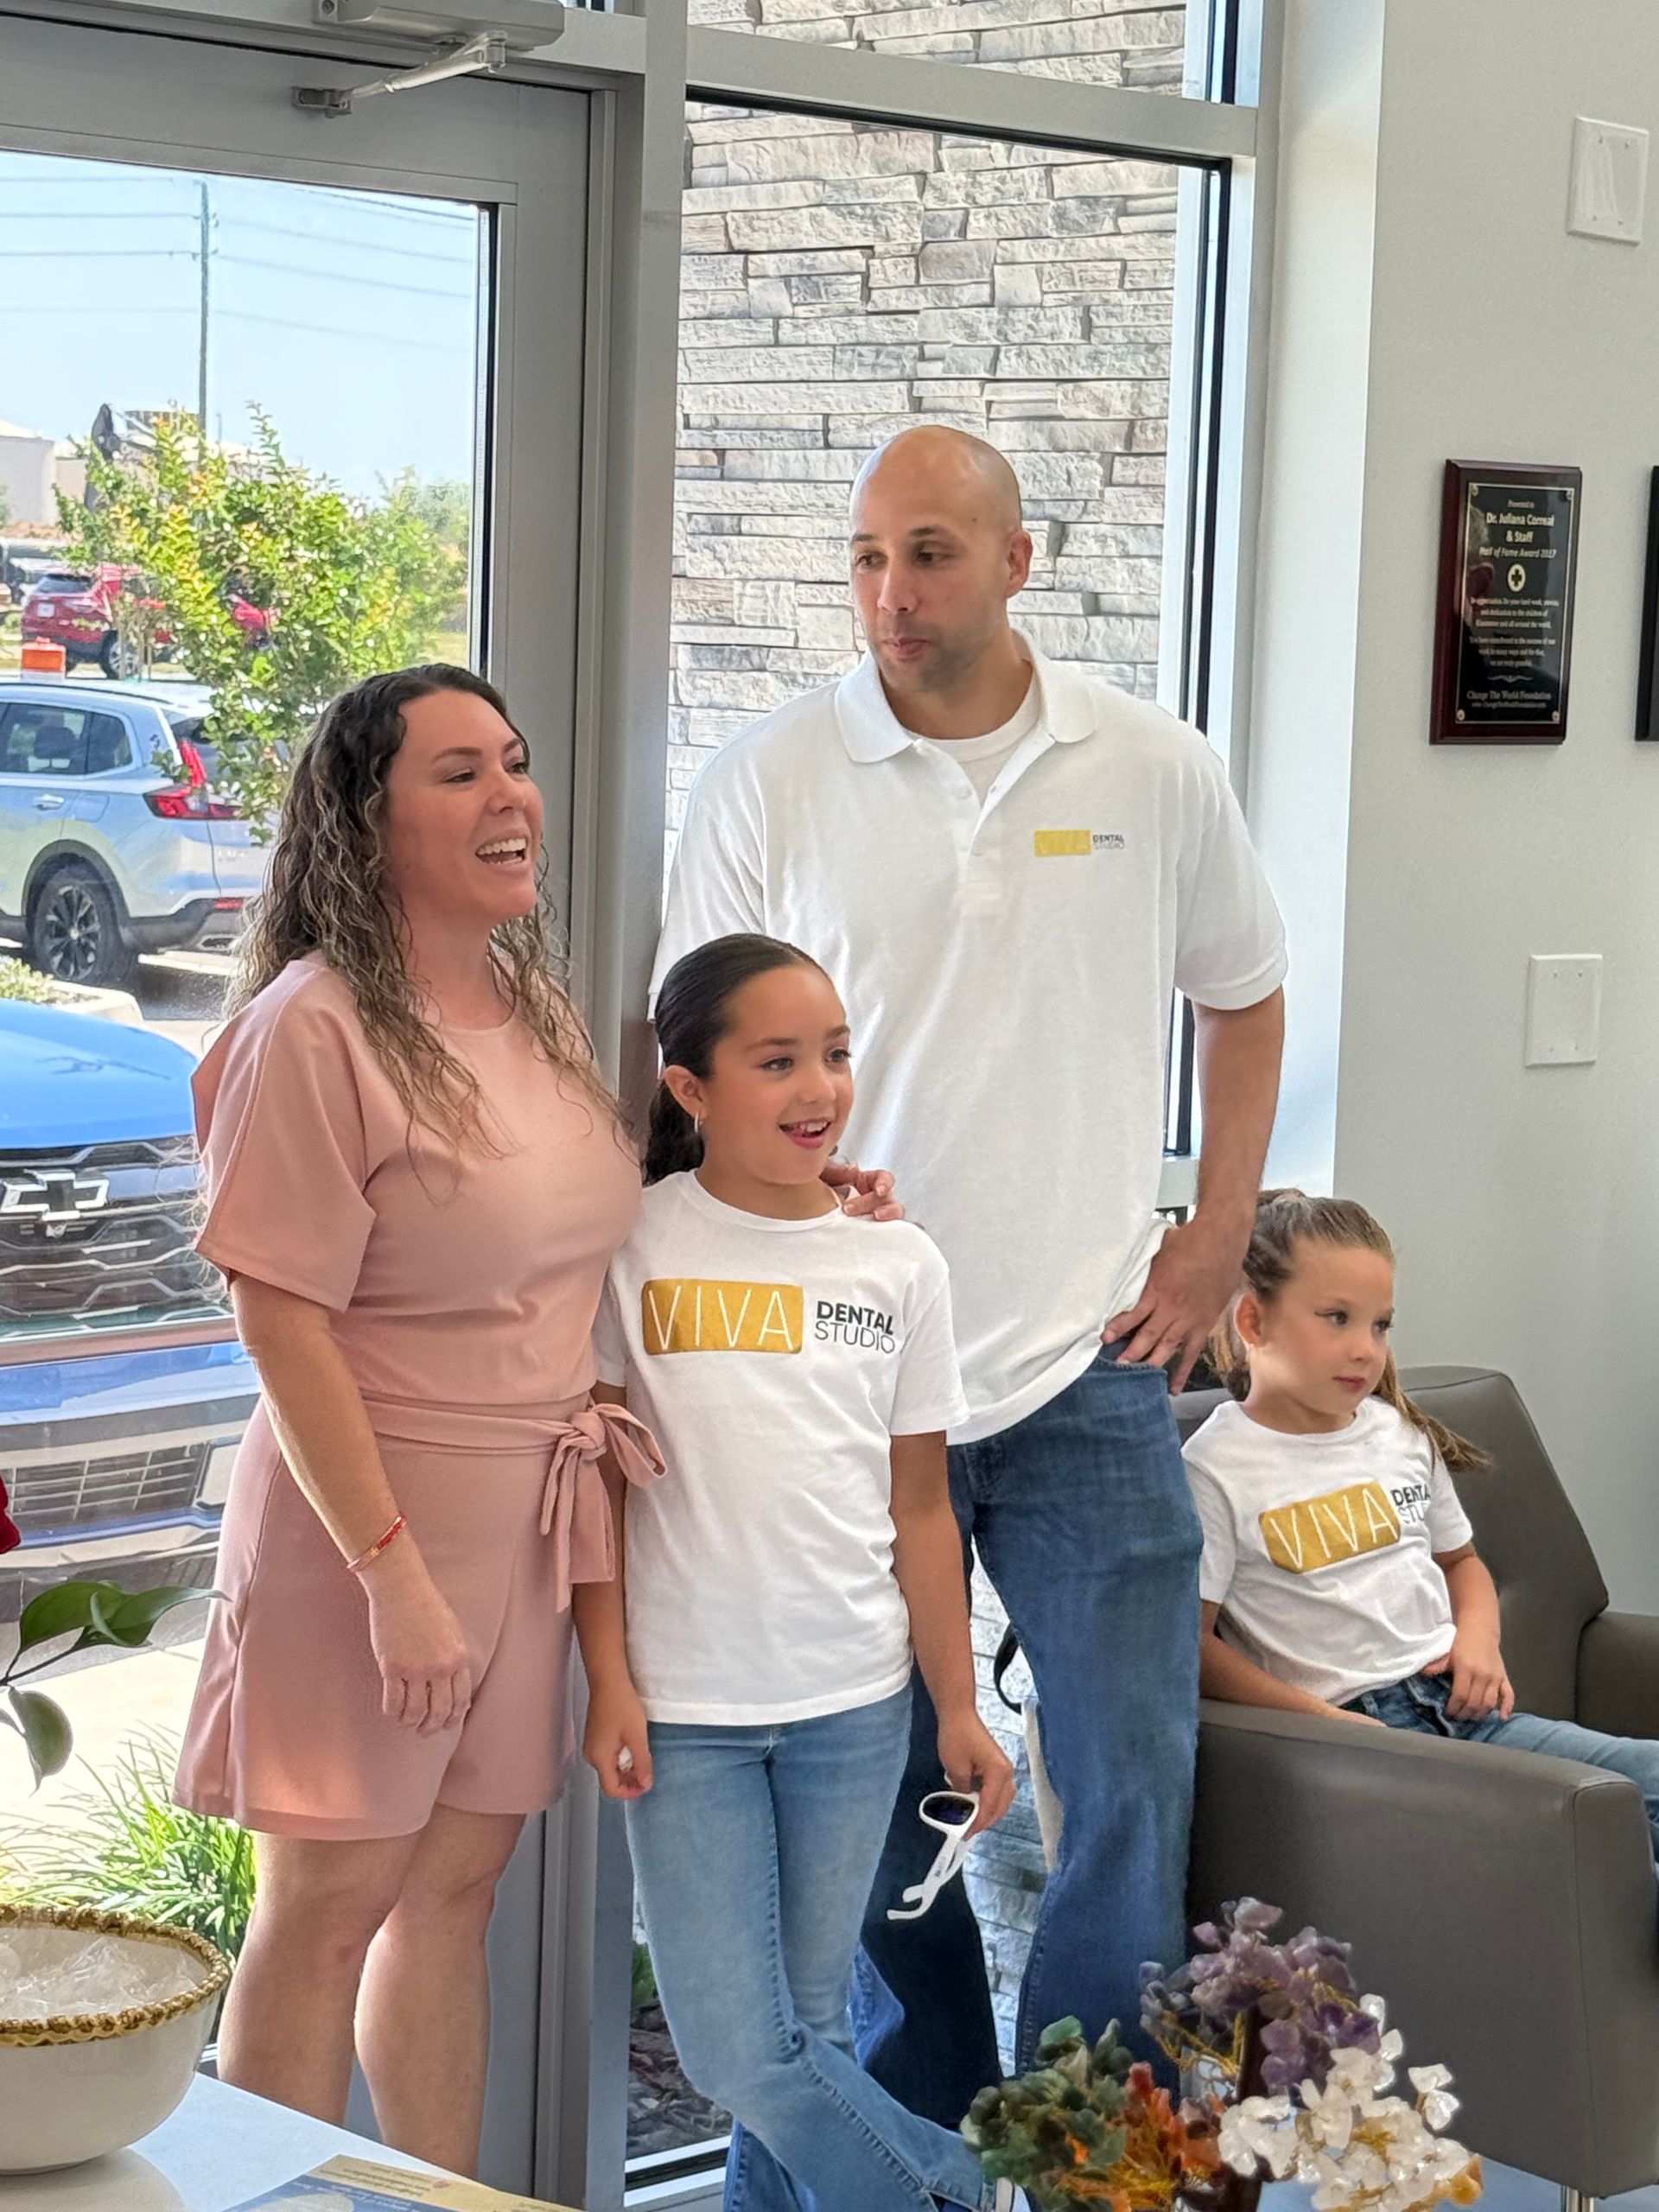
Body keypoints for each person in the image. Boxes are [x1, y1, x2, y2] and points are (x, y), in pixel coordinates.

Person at [652, 424, 1287, 2119]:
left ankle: (1077, 2151)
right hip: (839, 1380)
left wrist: (1219, 1230)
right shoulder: (770, 780)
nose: (890, 592)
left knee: (1130, 1794)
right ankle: (916, 2141)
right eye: (866, 555)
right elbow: (688, 1060)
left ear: (1020, 558)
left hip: (1092, 1361)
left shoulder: (1152, 768)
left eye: (928, 552)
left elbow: (1247, 988)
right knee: (866, 1812)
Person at [172, 665, 664, 2174]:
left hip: (522, 1520)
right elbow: (278, 1315)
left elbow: (574, 1236)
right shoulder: (311, 1030)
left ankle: (444, 2205)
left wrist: (805, 1198)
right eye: (460, 773)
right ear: (363, 818)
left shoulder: (532, 1008)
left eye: (513, 762)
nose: (510, 795)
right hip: (366, 1532)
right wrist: (392, 1574)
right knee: (324, 1917)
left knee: (455, 1900)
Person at [573, 932, 1027, 2212]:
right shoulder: (633, 1241)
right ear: (691, 1088)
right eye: (776, 1061)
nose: (818, 1087)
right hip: (687, 1714)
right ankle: (959, 2190)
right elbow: (595, 1481)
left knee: (809, 2040)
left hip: (851, 1705)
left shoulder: (899, 1261)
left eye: (833, 1053)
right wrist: (605, 1674)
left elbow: (923, 1510)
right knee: (738, 2050)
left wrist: (954, 1706)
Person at [1185, 1190, 1659, 1861]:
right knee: (1607, 1850)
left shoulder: (1401, 1437)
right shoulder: (1213, 1468)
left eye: (1380, 1325)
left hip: (1469, 1718)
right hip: (1362, 1747)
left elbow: (1462, 1563)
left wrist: (1480, 1644)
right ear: (1255, 1322)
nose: (1365, 1349)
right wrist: (1328, 1726)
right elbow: (1194, 1644)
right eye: (1337, 1319)